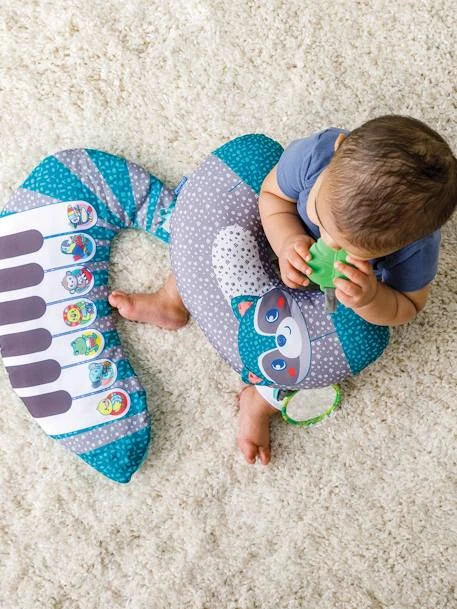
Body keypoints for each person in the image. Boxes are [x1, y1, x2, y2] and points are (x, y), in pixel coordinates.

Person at [108, 115, 457, 466]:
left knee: (306, 358)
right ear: (337, 151)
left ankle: (259, 401)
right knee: (217, 242)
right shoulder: (316, 156)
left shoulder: (416, 248)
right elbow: (273, 195)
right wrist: (287, 240)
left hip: (332, 298)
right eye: (322, 219)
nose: (328, 242)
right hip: (278, 238)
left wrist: (370, 298)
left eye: (352, 249)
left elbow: (409, 305)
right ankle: (172, 299)